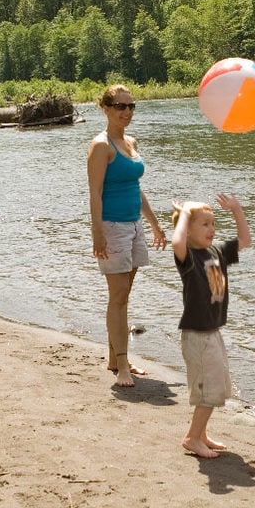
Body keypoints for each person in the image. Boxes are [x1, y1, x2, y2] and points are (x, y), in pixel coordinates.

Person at [87, 84, 167, 388]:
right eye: (120, 106)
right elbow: (95, 194)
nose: (127, 112)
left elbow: (135, 187)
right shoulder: (100, 145)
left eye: (131, 106)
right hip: (112, 227)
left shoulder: (130, 142)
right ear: (106, 108)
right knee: (118, 297)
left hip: (133, 225)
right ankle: (122, 364)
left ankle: (114, 357)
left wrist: (155, 224)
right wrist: (97, 233)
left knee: (123, 297)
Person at [170, 193, 250, 458]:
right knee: (208, 389)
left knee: (214, 386)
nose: (212, 229)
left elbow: (244, 241)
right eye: (204, 224)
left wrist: (237, 209)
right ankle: (192, 437)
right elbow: (177, 242)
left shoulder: (216, 252)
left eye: (213, 223)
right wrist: (184, 214)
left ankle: (200, 433)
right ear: (188, 229)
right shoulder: (189, 258)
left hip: (212, 332)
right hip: (197, 335)